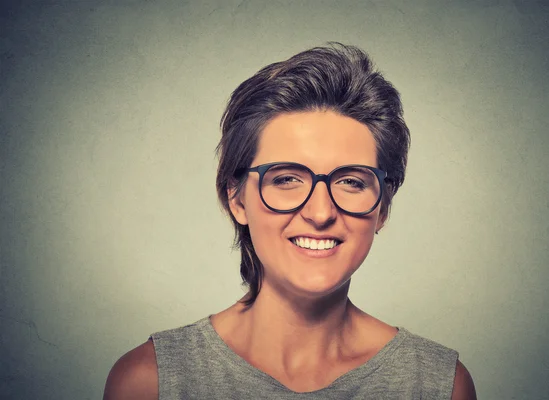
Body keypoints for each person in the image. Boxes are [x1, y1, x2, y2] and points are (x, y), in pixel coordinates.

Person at [103, 43, 477, 399]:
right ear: (236, 198)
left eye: (350, 182)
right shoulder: (149, 382)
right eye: (285, 179)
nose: (320, 213)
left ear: (383, 208)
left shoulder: (438, 385)